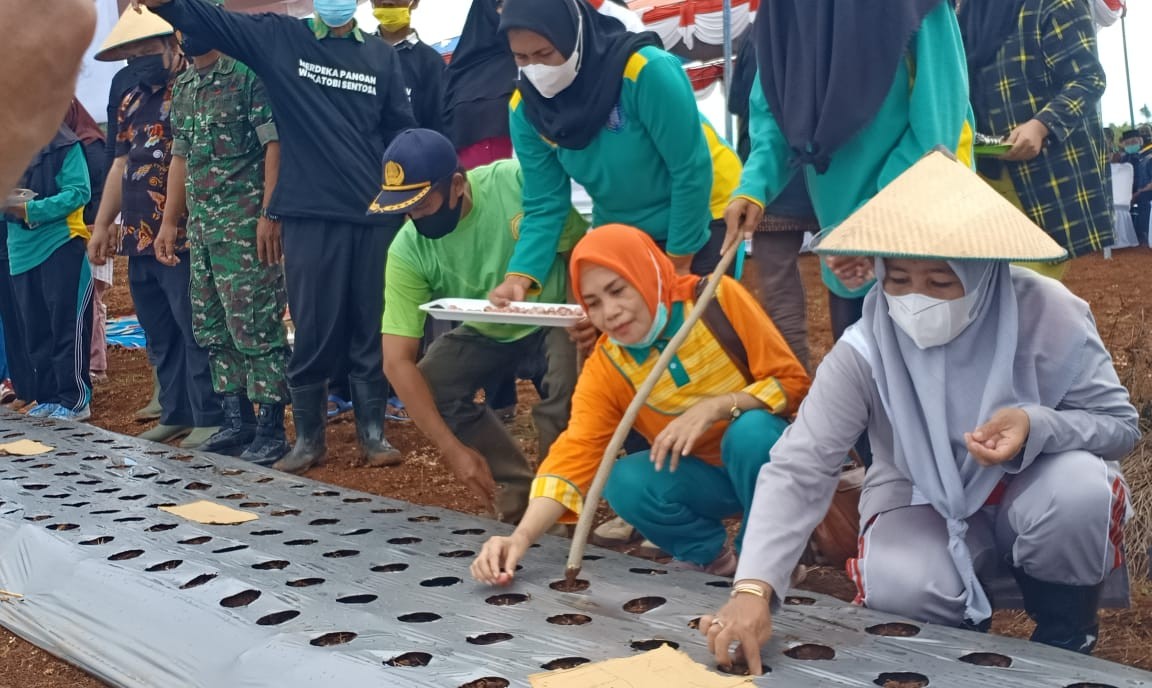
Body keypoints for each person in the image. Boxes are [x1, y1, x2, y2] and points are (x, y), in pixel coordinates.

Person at [700, 152, 1139, 674]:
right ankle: (956, 656)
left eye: (940, 282)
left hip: (1033, 486)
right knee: (900, 579)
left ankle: (1064, 640)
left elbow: (1119, 427)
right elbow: (801, 463)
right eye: (898, 278)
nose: (914, 300)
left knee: (1079, 492)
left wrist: (1036, 424)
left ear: (981, 274)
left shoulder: (1051, 315)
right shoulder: (870, 344)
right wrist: (753, 587)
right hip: (921, 495)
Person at [136, 0, 419, 473]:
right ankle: (309, 441)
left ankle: (373, 435)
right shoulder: (284, 40)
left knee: (369, 325)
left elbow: (399, 129)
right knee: (312, 328)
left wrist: (408, 191)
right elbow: (212, 21)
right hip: (309, 213)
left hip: (373, 215)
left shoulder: (379, 56)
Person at [471, 224, 810, 583]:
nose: (611, 312)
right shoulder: (609, 362)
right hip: (703, 481)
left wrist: (717, 406)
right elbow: (576, 452)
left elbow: (792, 383)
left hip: (766, 463)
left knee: (752, 431)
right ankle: (713, 563)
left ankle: (766, 558)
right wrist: (519, 537)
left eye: (618, 290)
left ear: (646, 273)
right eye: (594, 303)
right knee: (624, 481)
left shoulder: (716, 298)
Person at [723, 0, 974, 341]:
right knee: (863, 368)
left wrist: (865, 227)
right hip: (845, 248)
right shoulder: (785, 10)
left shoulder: (917, 8)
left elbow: (936, 130)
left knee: (939, 364)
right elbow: (773, 109)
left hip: (923, 238)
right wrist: (754, 186)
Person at [373, 129, 584, 522]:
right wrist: (452, 451)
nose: (414, 217)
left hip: (553, 310)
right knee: (432, 381)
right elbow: (396, 362)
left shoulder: (515, 183)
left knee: (567, 390)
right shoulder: (407, 249)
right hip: (488, 329)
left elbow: (577, 248)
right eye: (405, 207)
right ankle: (517, 486)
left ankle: (556, 500)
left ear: (457, 184)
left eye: (422, 204)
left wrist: (579, 314)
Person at [489, 0, 742, 309]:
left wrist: (677, 263)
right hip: (623, 227)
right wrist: (519, 277)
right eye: (522, 58)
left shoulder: (644, 70)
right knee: (625, 335)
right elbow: (544, 202)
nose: (536, 68)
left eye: (544, 54)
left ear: (574, 38)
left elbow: (690, 168)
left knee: (696, 330)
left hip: (704, 210)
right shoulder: (526, 109)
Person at [154, 5, 291, 465]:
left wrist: (271, 213)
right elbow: (181, 159)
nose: (184, 35)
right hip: (204, 231)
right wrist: (170, 222)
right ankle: (238, 423)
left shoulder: (247, 76)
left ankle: (272, 429)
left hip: (247, 227)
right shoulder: (186, 87)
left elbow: (274, 144)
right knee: (213, 327)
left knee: (255, 325)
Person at [90, 8, 224, 448]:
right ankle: (175, 411)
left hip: (180, 235)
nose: (142, 61)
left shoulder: (189, 92)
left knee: (192, 327)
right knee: (159, 329)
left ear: (173, 46)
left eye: (149, 51)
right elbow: (120, 165)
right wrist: (103, 224)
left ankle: (209, 414)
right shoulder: (131, 100)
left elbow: (186, 161)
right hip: (137, 237)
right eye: (134, 55)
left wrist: (170, 221)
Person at [959, 0, 1112, 280]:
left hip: (1041, 184)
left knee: (1026, 291)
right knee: (979, 290)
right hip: (976, 177)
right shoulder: (964, 14)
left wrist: (1042, 125)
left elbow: (1089, 78)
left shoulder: (1053, 4)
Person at [3, 124, 93, 421]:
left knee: (65, 324)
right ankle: (48, 397)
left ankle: (75, 399)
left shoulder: (63, 142)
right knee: (35, 329)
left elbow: (79, 192)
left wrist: (31, 210)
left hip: (60, 243)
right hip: (20, 252)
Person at [0, 0, 95, 198]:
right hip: (18, 229)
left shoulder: (68, 144)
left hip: (61, 229)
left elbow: (79, 192)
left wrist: (31, 209)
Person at [64, 100, 113, 387]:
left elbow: (101, 190)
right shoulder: (67, 144)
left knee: (93, 298)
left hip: (95, 229)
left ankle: (96, 364)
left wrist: (98, 228)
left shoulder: (90, 144)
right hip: (77, 231)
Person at [443, 0, 518, 169]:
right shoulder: (459, 70)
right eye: (501, 3)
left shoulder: (535, 60)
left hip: (527, 177)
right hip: (470, 185)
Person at [372, 0, 445, 134]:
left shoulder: (431, 63)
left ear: (415, 2)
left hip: (407, 152)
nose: (388, 1)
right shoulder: (355, 52)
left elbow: (437, 127)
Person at [1119, 129, 1152, 248]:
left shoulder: (1149, 156)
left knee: (1144, 201)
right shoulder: (1125, 159)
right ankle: (1132, 233)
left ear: (1141, 140)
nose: (1131, 145)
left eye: (1133, 142)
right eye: (1127, 144)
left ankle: (1145, 233)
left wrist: (1136, 194)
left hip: (1146, 193)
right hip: (1130, 193)